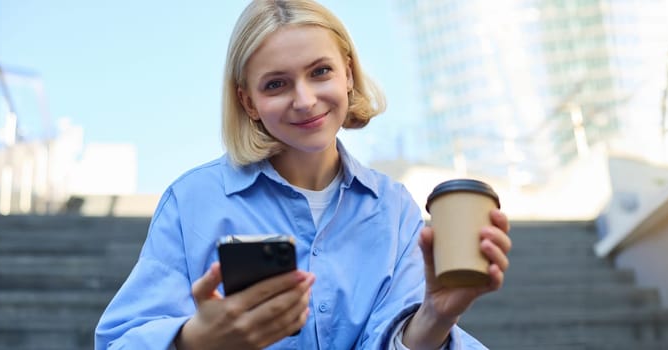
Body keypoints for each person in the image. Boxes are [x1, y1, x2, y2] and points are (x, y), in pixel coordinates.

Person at [94, 0, 512, 349]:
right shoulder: (192, 202)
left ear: (348, 73)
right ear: (248, 102)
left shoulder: (395, 209)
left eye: (320, 72)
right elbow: (119, 340)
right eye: (276, 84)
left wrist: (436, 316)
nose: (305, 100)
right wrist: (192, 340)